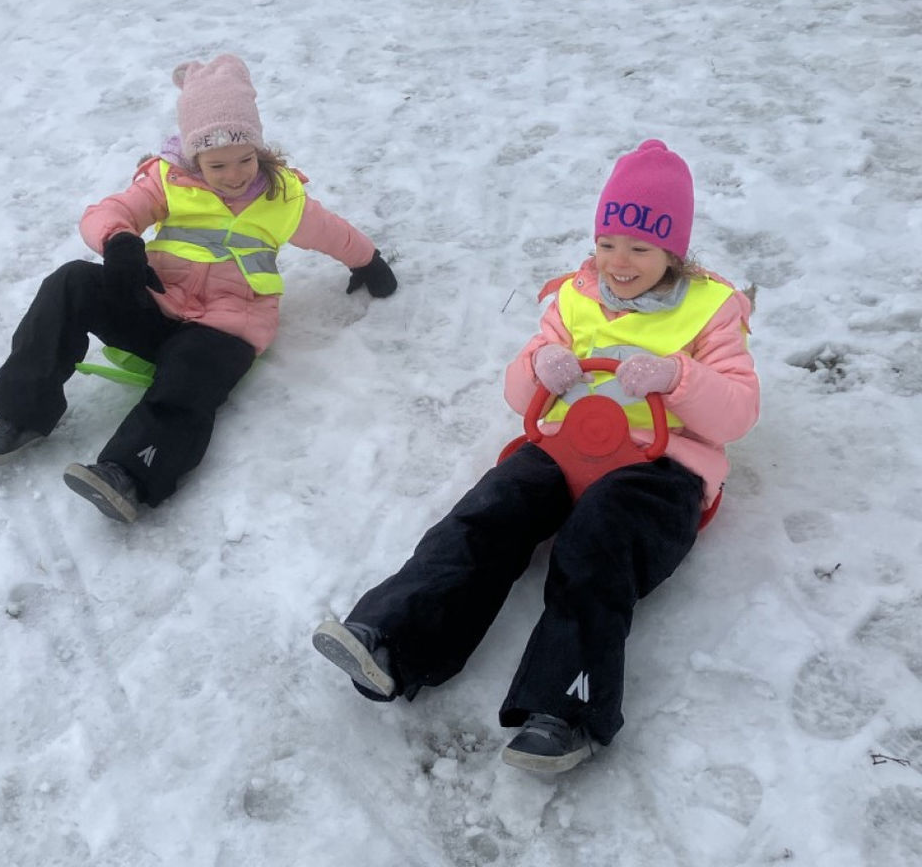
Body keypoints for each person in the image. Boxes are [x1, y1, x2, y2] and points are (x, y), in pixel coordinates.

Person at [312, 139, 759, 773]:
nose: (619, 262)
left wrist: (677, 378)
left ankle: (564, 708)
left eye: (640, 249)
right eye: (607, 244)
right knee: (491, 509)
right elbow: (519, 394)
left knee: (599, 539)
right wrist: (540, 367)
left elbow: (739, 411)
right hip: (568, 445)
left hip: (659, 469)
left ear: (673, 252)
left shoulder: (710, 311)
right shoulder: (576, 296)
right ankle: (391, 638)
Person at [0, 54, 397, 522]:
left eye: (245, 159)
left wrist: (367, 260)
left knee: (192, 373)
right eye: (217, 165)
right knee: (70, 280)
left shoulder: (282, 197)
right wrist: (119, 240)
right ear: (194, 158)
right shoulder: (168, 181)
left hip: (226, 325)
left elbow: (332, 231)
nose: (235, 174)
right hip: (158, 302)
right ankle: (21, 412)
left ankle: (129, 473)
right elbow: (110, 211)